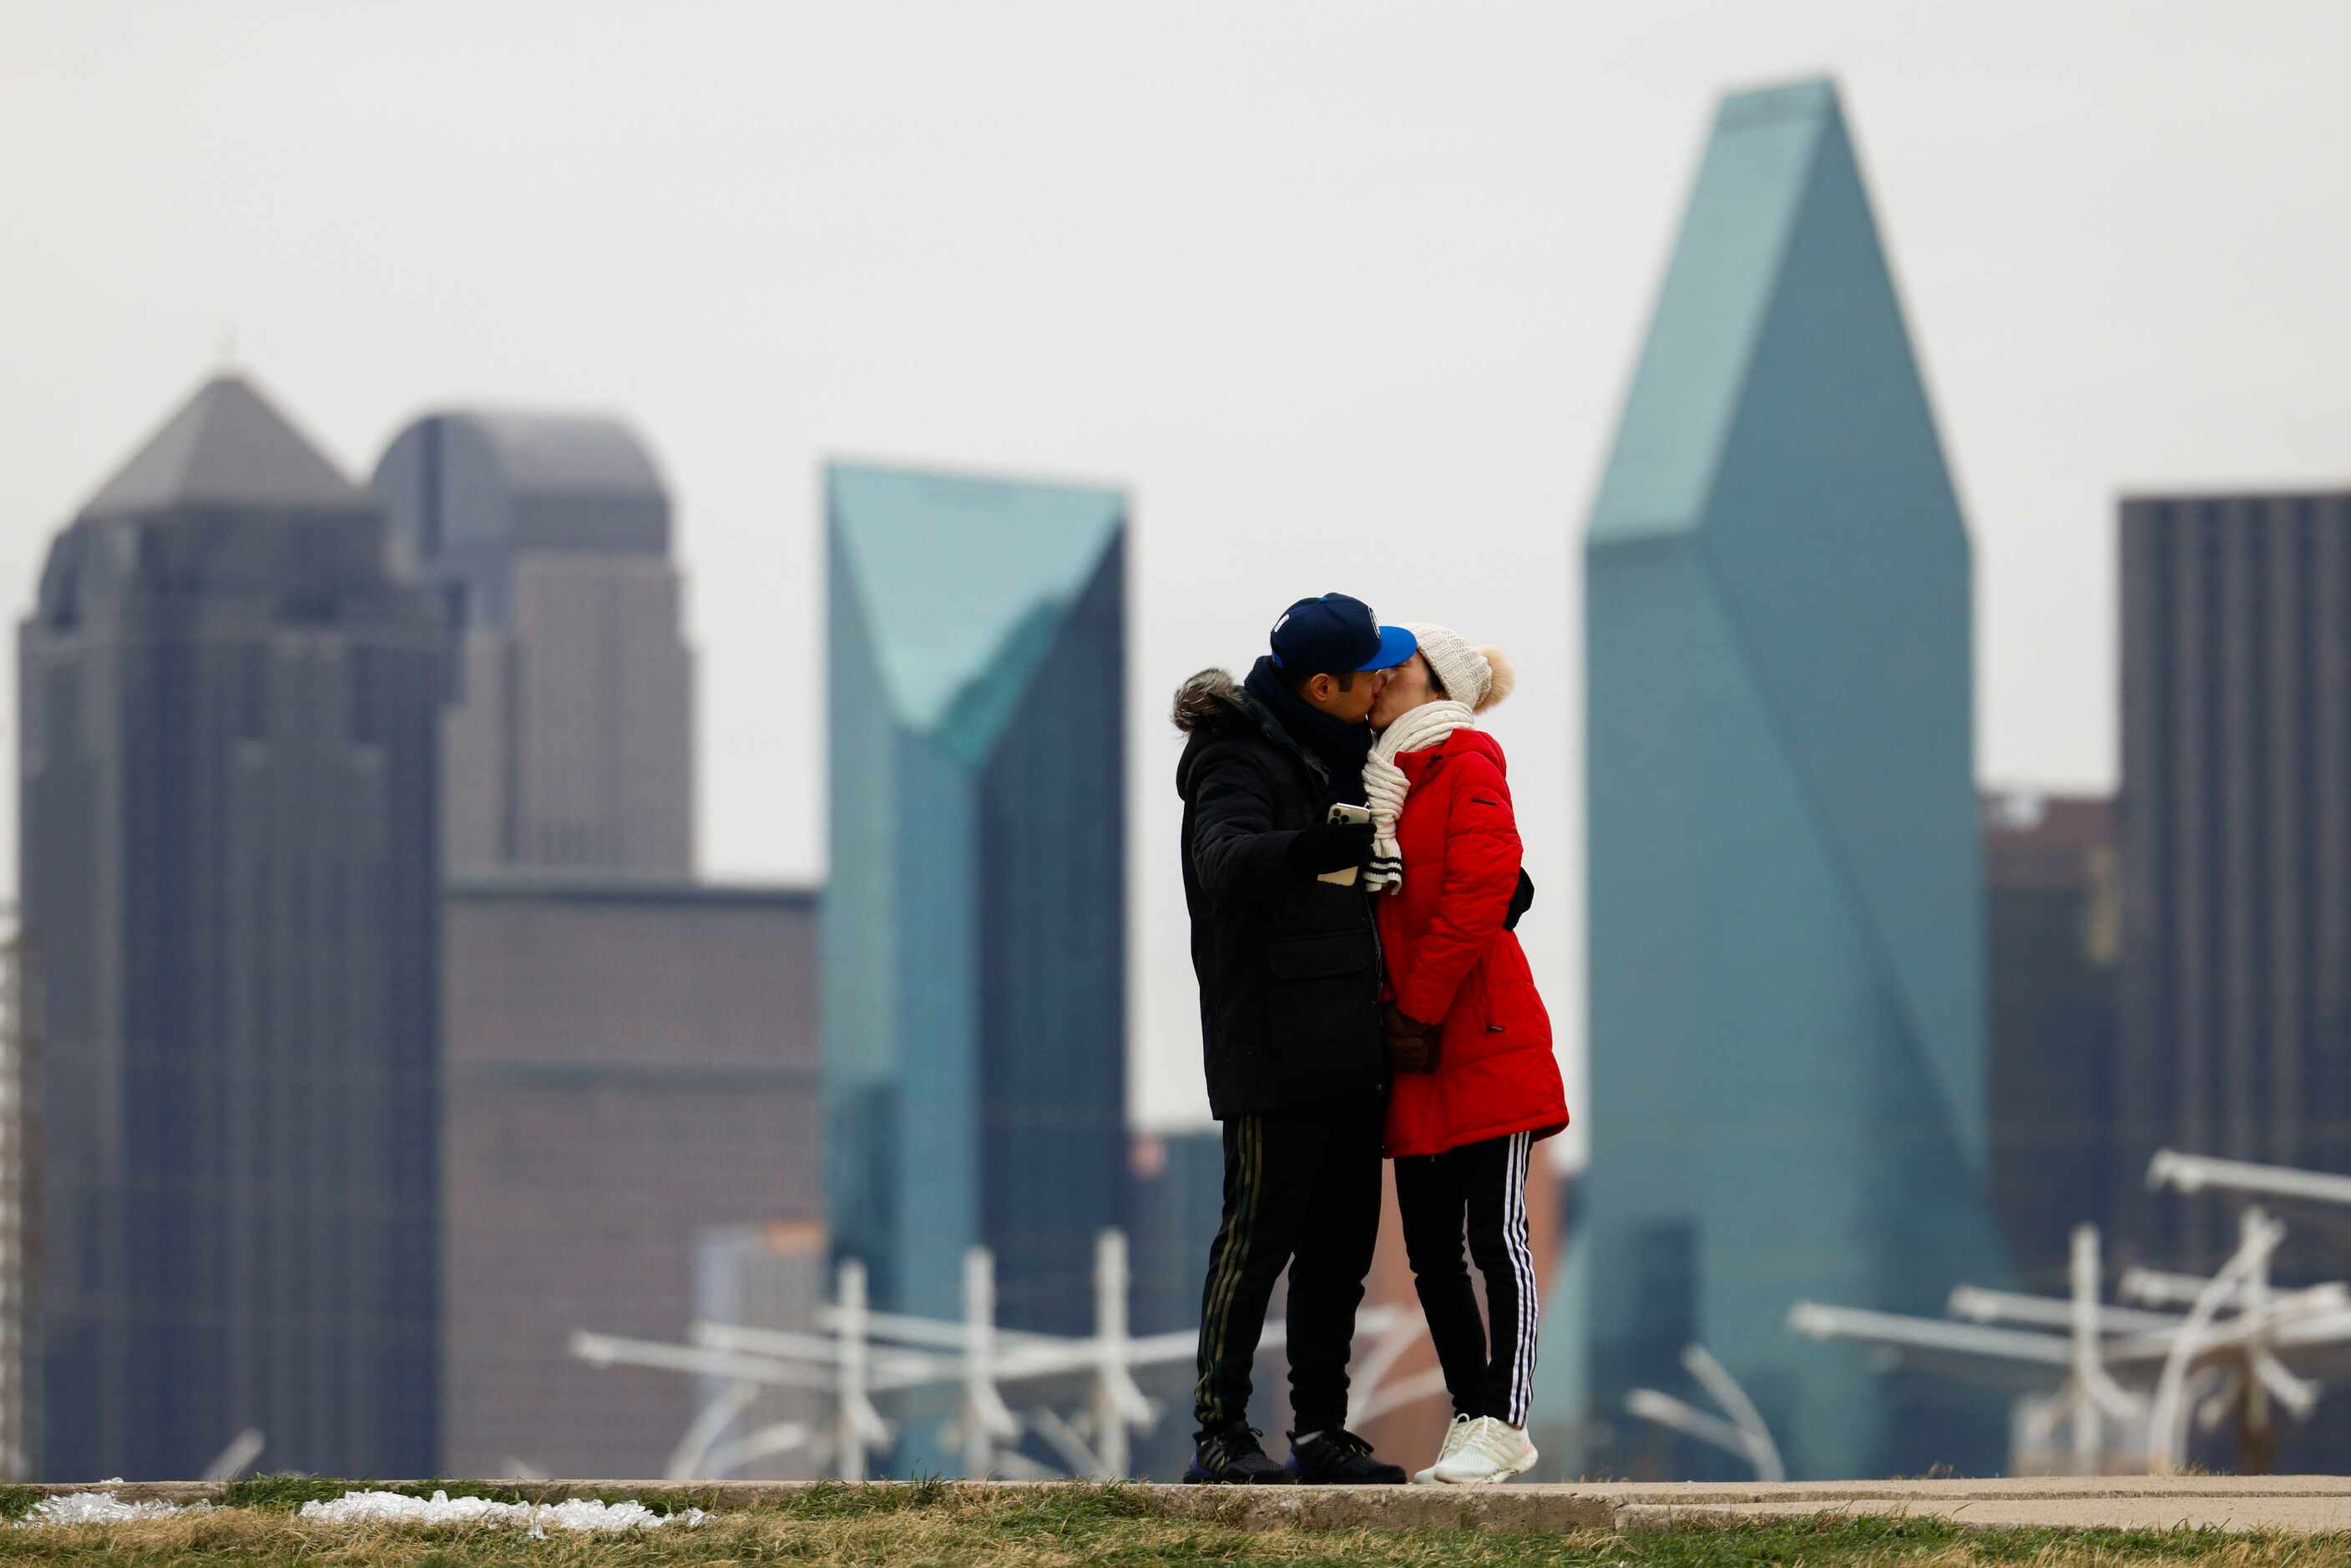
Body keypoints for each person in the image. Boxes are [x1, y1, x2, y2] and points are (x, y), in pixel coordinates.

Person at [1170, 593, 1418, 1485]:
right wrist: (1322, 843)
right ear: (1323, 685)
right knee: (1253, 1244)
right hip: (1271, 1052)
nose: (1383, 682)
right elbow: (1225, 862)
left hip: (1351, 1048)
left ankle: (1320, 1430)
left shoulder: (1348, 754)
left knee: (1339, 1256)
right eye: (1369, 674)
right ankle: (1218, 1433)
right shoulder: (1233, 759)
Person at [1363, 623, 1568, 1485]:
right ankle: (1472, 1415)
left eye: (1396, 666)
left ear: (1435, 684)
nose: (1378, 677)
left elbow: (1483, 887)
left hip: (1477, 1037)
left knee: (1497, 1238)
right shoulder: (1379, 785)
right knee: (1430, 1254)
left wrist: (1415, 1006)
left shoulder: (1464, 760)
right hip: (1416, 1049)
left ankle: (1507, 1420)